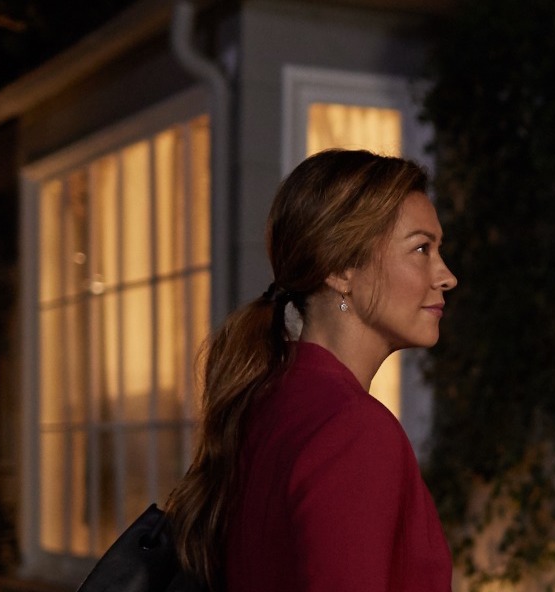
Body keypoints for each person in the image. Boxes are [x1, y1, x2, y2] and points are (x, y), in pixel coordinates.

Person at [165, 150, 457, 591]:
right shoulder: (353, 430)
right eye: (421, 248)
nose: (446, 276)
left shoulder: (268, 402)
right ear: (340, 269)